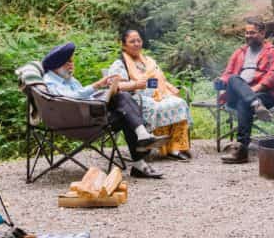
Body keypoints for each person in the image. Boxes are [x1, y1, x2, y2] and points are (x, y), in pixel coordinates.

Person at [42, 42, 167, 179]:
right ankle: (141, 149)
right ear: (56, 65)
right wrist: (96, 86)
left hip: (87, 114)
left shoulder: (67, 78)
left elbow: (82, 96)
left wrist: (105, 92)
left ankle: (142, 138)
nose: (71, 65)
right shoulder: (50, 81)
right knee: (125, 109)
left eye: (72, 61)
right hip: (78, 123)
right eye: (68, 62)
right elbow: (68, 99)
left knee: (122, 99)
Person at [106, 29, 193, 161]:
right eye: (132, 41)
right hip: (132, 99)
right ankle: (145, 143)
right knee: (152, 105)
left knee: (179, 102)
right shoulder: (120, 64)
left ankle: (175, 147)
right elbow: (116, 86)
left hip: (156, 94)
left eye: (138, 40)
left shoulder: (148, 61)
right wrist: (135, 84)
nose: (136, 44)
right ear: (124, 45)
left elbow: (159, 79)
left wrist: (169, 87)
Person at [215, 17, 274, 165]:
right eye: (246, 33)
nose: (248, 36)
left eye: (252, 33)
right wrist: (221, 80)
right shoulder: (239, 52)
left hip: (264, 94)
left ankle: (241, 150)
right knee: (234, 79)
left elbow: (273, 76)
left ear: (262, 33)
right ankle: (255, 103)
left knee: (244, 101)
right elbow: (228, 74)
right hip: (239, 94)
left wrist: (252, 91)